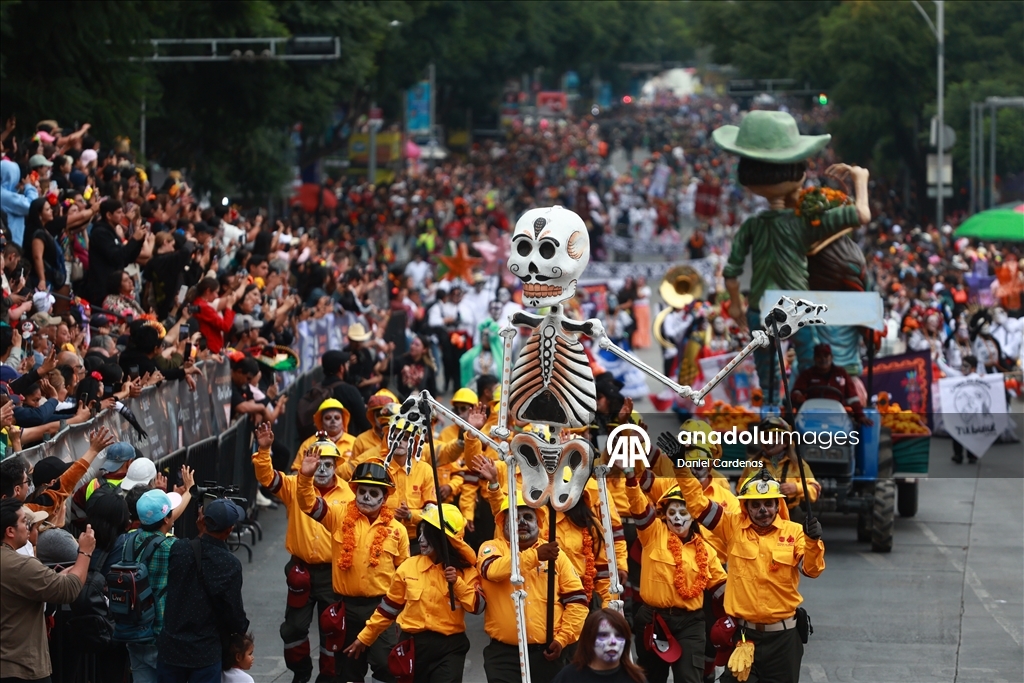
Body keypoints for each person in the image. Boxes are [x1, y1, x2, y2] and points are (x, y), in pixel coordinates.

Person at [676, 468, 825, 683]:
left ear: (777, 505)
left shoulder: (795, 532)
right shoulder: (732, 526)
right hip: (745, 637)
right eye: (755, 504)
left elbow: (812, 570)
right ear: (746, 507)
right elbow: (698, 505)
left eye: (768, 503)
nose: (763, 509)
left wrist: (813, 542)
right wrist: (681, 470)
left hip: (784, 641)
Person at [296, 456, 408, 683]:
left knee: (386, 666)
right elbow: (309, 504)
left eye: (373, 493)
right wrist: (306, 477)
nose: (366, 497)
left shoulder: (398, 531)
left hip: (381, 610)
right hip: (346, 607)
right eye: (362, 491)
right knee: (345, 671)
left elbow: (405, 576)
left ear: (385, 498)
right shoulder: (339, 517)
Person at [253, 424, 350, 683]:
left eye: (327, 463)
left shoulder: (350, 495)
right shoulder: (295, 485)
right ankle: (301, 672)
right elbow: (267, 478)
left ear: (336, 465)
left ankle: (329, 676)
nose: (321, 468)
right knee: (293, 629)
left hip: (333, 574)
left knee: (333, 628)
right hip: (301, 571)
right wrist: (264, 450)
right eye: (317, 462)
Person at [346, 504, 484, 683]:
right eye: (420, 532)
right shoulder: (408, 567)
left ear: (443, 539)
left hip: (450, 649)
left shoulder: (467, 572)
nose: (421, 539)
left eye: (427, 534)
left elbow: (478, 606)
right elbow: (388, 610)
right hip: (412, 647)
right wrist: (364, 638)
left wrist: (457, 583)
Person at [478, 493, 589, 683]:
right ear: (503, 523)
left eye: (528, 517)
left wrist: (562, 639)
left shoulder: (556, 554)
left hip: (545, 654)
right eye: (515, 517)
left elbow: (577, 601)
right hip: (503, 656)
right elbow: (492, 570)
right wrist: (535, 556)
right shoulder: (490, 548)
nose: (522, 522)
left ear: (538, 523)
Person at [625, 477, 726, 683]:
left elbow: (721, 587)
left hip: (690, 623)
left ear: (693, 516)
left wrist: (749, 610)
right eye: (672, 512)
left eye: (683, 512)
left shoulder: (705, 550)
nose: (677, 518)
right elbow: (639, 507)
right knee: (651, 678)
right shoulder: (652, 533)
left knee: (689, 678)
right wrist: (631, 482)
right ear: (665, 515)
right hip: (653, 619)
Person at [1, 498, 95, 681]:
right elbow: (69, 589)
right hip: (20, 667)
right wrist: (85, 552)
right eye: (24, 522)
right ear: (10, 531)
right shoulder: (18, 565)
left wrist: (62, 574)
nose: (28, 526)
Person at [158, 498, 250, 683]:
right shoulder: (229, 564)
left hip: (172, 648)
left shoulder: (179, 549)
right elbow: (234, 613)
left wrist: (201, 534)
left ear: (203, 521)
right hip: (204, 652)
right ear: (229, 529)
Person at [117, 488, 185, 683]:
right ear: (166, 519)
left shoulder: (128, 542)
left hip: (133, 629)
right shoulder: (171, 547)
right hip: (160, 631)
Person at [738, 417, 821, 518]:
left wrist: (796, 488)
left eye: (774, 437)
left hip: (791, 516)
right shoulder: (752, 464)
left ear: (785, 442)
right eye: (765, 437)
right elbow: (740, 492)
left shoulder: (798, 464)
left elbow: (815, 491)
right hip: (760, 517)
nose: (768, 441)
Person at [552, 608, 648, 683]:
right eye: (604, 635)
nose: (613, 641)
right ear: (589, 640)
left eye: (619, 635)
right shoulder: (568, 677)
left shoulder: (636, 678)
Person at [791, 343, 873, 426]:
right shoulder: (807, 374)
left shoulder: (841, 373)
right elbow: (796, 392)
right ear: (815, 358)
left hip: (838, 416)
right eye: (819, 356)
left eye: (826, 356)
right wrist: (798, 397)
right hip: (812, 416)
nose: (823, 359)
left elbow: (852, 397)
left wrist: (860, 416)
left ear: (831, 357)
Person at [290, 398, 356, 475]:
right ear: (321, 422)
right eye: (328, 418)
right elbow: (295, 472)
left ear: (343, 420)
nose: (333, 421)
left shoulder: (355, 442)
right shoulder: (309, 443)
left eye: (337, 418)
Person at [320, 350, 370, 436]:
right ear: (341, 368)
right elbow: (365, 423)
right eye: (346, 364)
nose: (348, 367)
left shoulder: (316, 390)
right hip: (346, 444)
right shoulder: (349, 391)